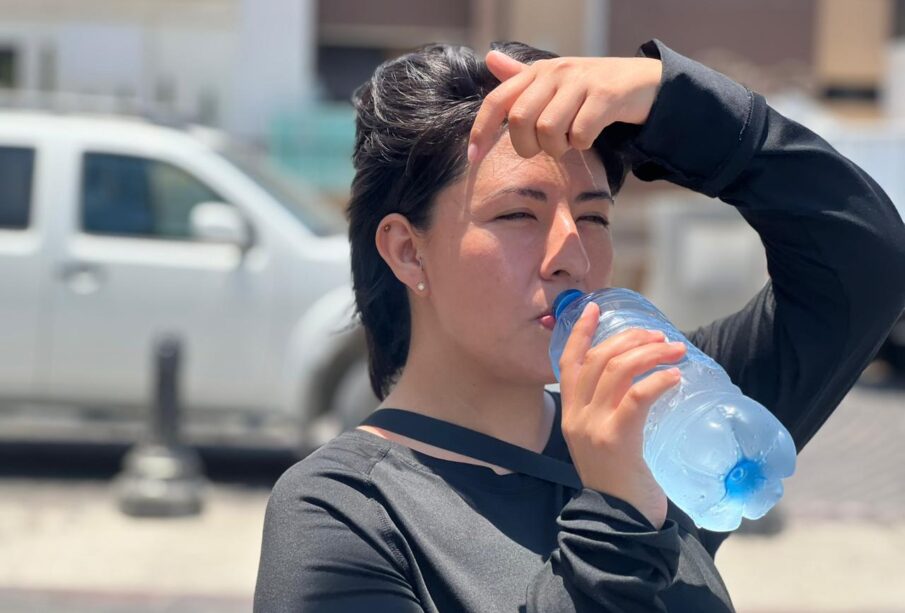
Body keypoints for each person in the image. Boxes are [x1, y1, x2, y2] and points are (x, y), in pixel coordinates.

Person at [253, 38, 905, 612]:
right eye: (517, 214)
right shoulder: (342, 511)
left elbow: (862, 263)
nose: (572, 251)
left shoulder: (660, 422)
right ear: (405, 249)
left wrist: (671, 100)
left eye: (593, 216)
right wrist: (615, 519)